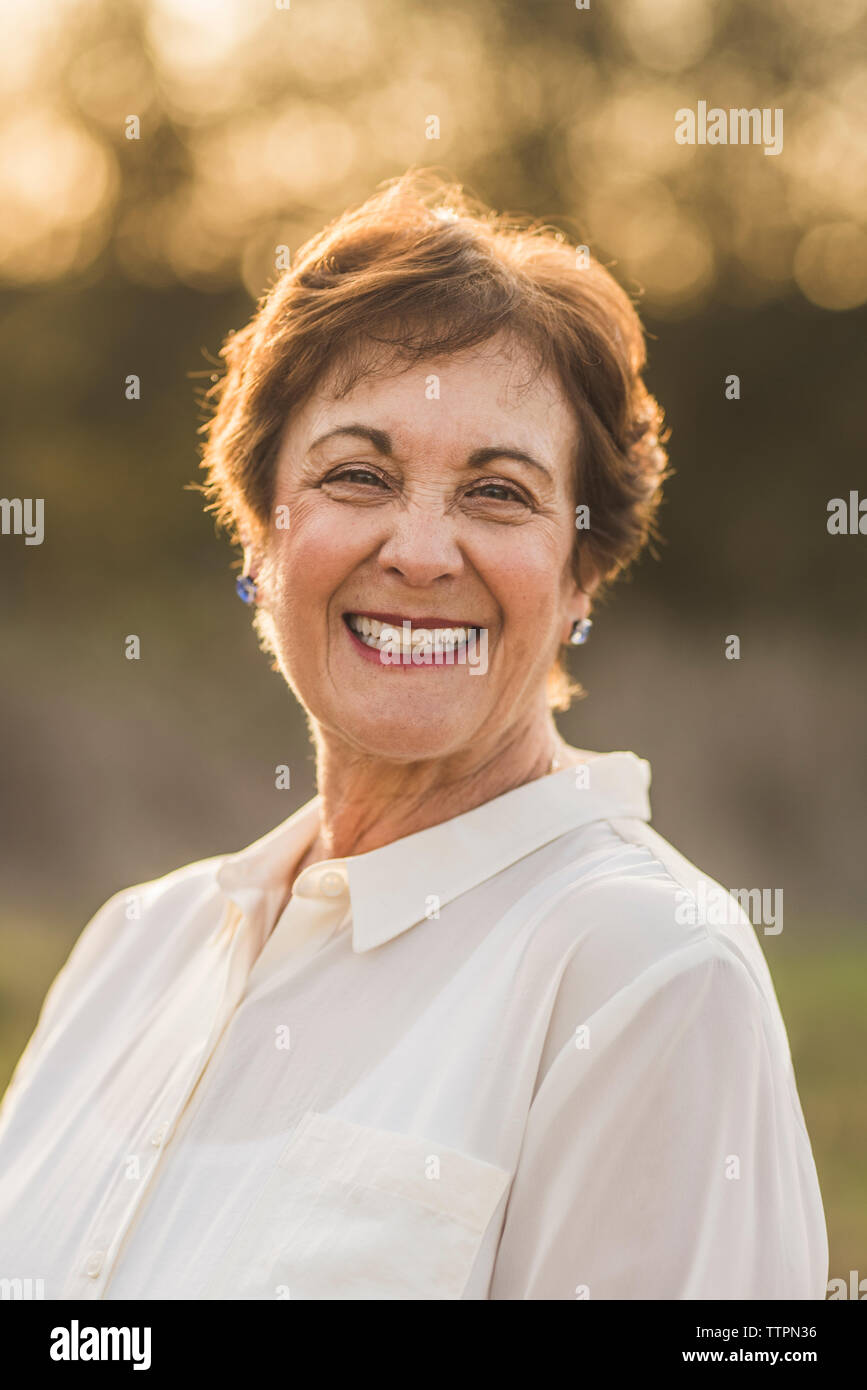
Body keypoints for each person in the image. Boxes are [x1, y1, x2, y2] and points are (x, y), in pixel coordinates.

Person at [0, 170, 828, 1300]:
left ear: (583, 569)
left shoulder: (651, 973)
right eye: (358, 475)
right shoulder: (131, 945)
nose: (423, 551)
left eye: (498, 492)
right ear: (259, 535)